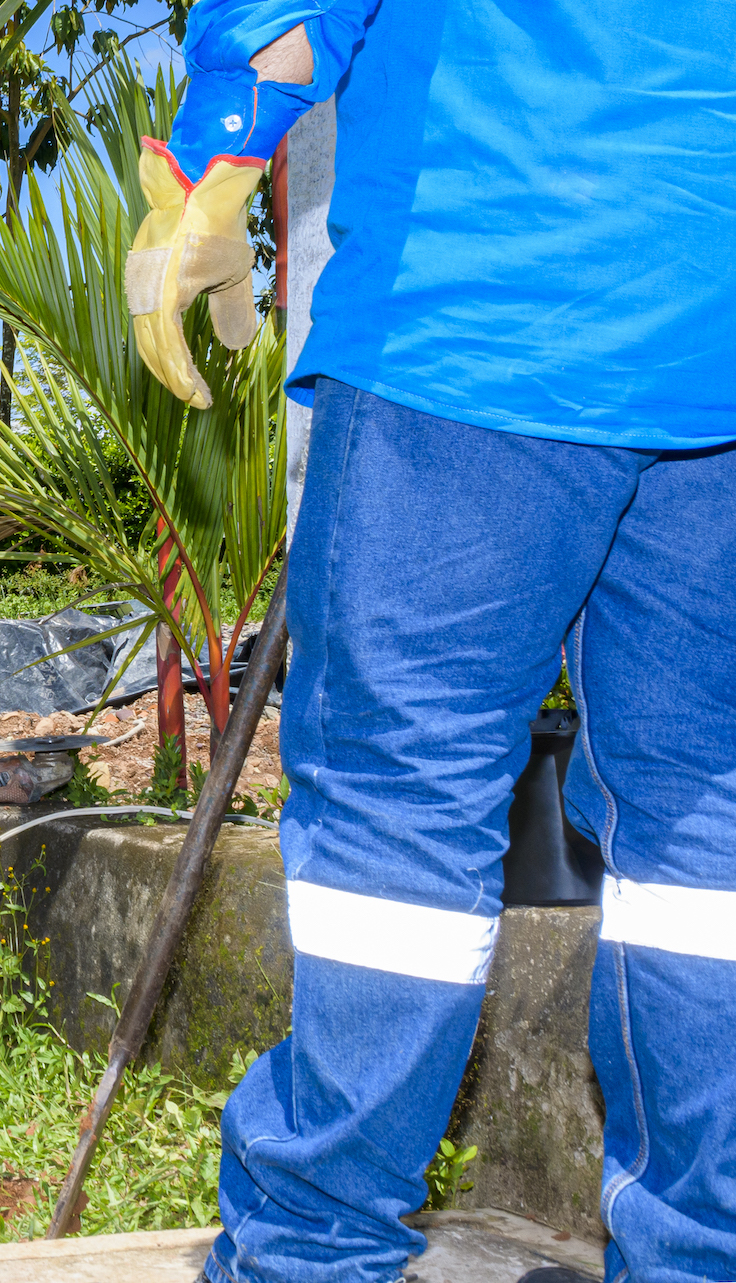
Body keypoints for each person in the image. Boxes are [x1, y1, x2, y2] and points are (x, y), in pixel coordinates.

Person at [127, 3, 736, 1280]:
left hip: (479, 306)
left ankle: (312, 1250)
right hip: (714, 324)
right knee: (704, 828)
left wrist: (220, 147)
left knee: (399, 816)